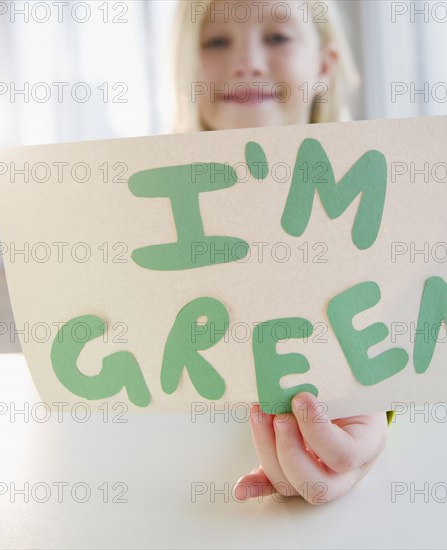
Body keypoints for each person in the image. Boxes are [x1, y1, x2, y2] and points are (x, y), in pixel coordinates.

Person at [170, 0, 395, 504]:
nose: (246, 61)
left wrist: (374, 414)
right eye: (216, 40)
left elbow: (409, 327)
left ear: (324, 66)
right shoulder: (142, 216)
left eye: (277, 38)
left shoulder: (373, 204)